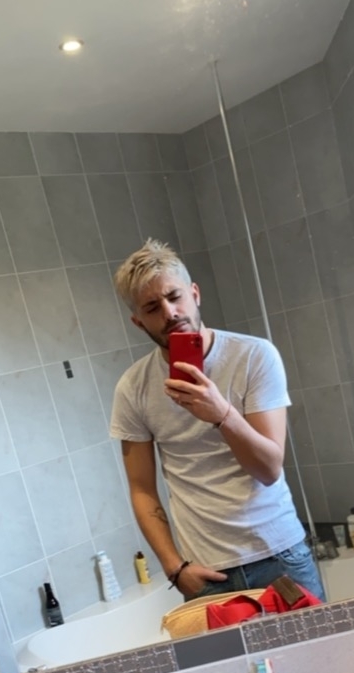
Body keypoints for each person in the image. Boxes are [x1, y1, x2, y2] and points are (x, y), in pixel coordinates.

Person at [110, 239, 325, 602]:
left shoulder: (254, 356)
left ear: (194, 294)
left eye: (174, 296)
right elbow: (142, 489)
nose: (170, 313)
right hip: (207, 574)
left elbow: (269, 469)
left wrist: (221, 414)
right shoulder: (133, 388)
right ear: (138, 321)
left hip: (280, 557)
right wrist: (174, 568)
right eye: (152, 307)